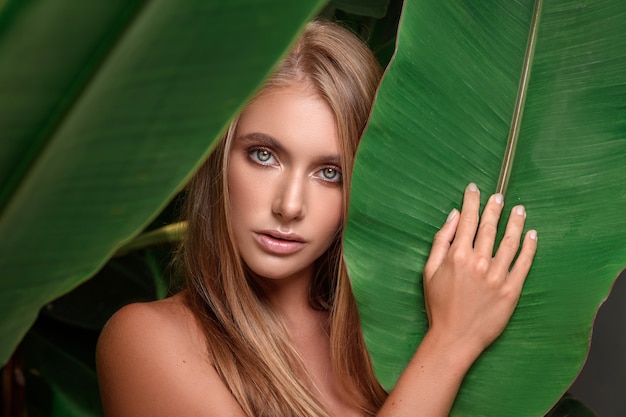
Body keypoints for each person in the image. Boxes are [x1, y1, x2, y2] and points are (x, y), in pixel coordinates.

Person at [96, 19, 537, 417]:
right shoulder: (147, 340)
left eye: (331, 173)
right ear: (219, 159)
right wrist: (450, 346)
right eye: (263, 155)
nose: (290, 206)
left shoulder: (385, 340)